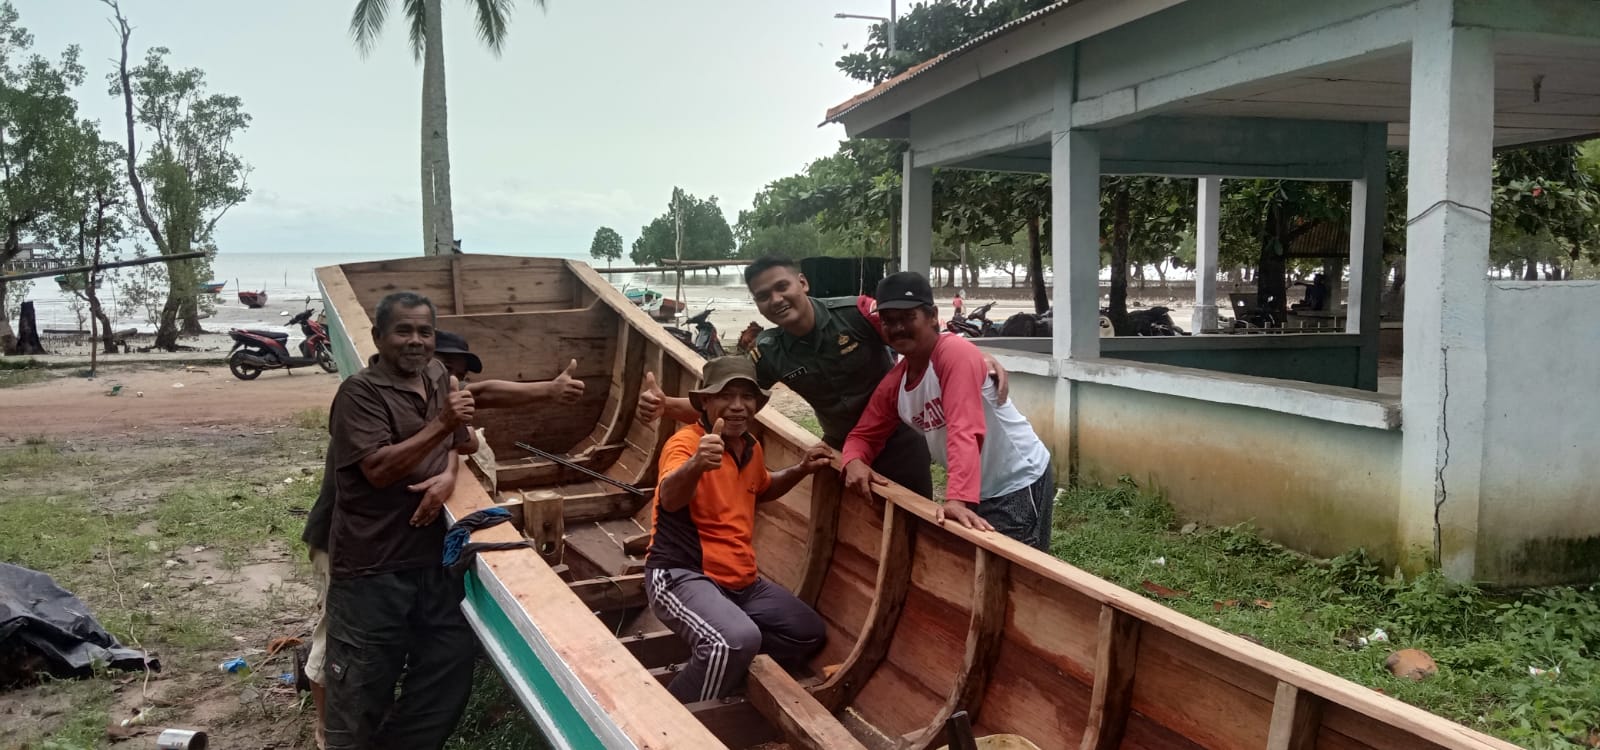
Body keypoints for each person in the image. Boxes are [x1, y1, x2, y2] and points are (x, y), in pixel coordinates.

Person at [300, 328, 585, 747]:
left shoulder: (437, 394)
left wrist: (548, 390)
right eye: (447, 372)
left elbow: (474, 409)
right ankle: (326, 732)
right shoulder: (379, 400)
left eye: (457, 376)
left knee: (406, 651)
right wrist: (451, 438)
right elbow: (431, 444)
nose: (454, 384)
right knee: (338, 646)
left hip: (398, 550)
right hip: (344, 545)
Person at [637, 255, 1008, 500]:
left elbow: (922, 340)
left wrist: (976, 355)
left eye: (782, 287)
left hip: (899, 444)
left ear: (802, 283)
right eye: (763, 296)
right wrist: (665, 404)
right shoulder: (769, 351)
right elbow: (725, 401)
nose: (777, 299)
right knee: (851, 531)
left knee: (917, 524)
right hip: (839, 447)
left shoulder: (857, 314)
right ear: (757, 304)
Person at [320, 291, 475, 749]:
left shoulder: (436, 375)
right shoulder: (360, 394)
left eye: (424, 332)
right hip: (373, 568)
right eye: (403, 331)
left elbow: (460, 444)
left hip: (428, 562)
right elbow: (379, 469)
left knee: (449, 663)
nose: (416, 341)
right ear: (379, 337)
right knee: (361, 691)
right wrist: (443, 425)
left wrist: (447, 476)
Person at [645, 355, 831, 703]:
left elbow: (762, 488)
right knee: (733, 639)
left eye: (747, 397)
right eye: (725, 396)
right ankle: (678, 719)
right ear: (704, 401)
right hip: (681, 574)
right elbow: (669, 495)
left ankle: (722, 658)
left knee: (807, 633)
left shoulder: (750, 447)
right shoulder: (686, 444)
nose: (737, 407)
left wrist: (801, 469)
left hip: (741, 582)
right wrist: (698, 465)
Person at [841, 272, 1056, 551]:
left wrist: (957, 498)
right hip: (976, 486)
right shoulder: (896, 384)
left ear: (931, 315)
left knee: (1018, 573)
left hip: (1015, 478)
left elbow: (963, 428)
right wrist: (854, 460)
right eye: (888, 321)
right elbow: (864, 434)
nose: (897, 328)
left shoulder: (954, 353)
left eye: (907, 317)